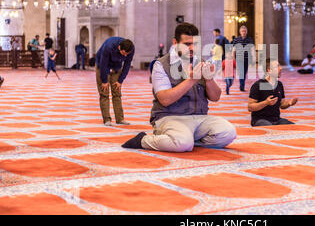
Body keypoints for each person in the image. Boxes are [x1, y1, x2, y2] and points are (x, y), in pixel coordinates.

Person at [122, 22, 236, 152]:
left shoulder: (200, 62)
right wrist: (191, 80)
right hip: (169, 117)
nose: (192, 48)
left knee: (228, 133)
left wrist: (209, 80)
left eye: (195, 44)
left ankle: (188, 141)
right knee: (183, 143)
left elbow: (215, 97)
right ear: (175, 42)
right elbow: (165, 99)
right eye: (187, 44)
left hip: (199, 118)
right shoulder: (161, 65)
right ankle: (143, 140)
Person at [96, 37, 135, 126]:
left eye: (127, 54)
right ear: (119, 47)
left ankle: (120, 119)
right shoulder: (109, 46)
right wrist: (104, 81)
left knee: (117, 92)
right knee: (104, 93)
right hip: (102, 66)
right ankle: (107, 119)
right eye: (123, 53)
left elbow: (127, 64)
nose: (125, 55)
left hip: (116, 67)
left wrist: (120, 81)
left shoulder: (131, 49)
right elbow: (103, 64)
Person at [248, 59, 298, 127]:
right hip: (260, 119)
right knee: (271, 129)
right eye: (277, 66)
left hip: (276, 119)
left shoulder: (279, 85)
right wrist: (266, 103)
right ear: (269, 70)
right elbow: (250, 107)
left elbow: (282, 104)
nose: (281, 68)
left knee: (294, 127)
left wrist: (289, 103)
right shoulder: (258, 85)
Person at [232, 25, 255, 92]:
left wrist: (253, 58)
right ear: (240, 32)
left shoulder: (250, 39)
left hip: (247, 59)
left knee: (244, 73)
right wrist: (234, 59)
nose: (243, 32)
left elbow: (252, 49)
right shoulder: (236, 39)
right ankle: (242, 86)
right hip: (239, 59)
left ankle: (242, 85)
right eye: (242, 31)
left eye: (245, 31)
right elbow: (234, 50)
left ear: (246, 32)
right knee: (241, 73)